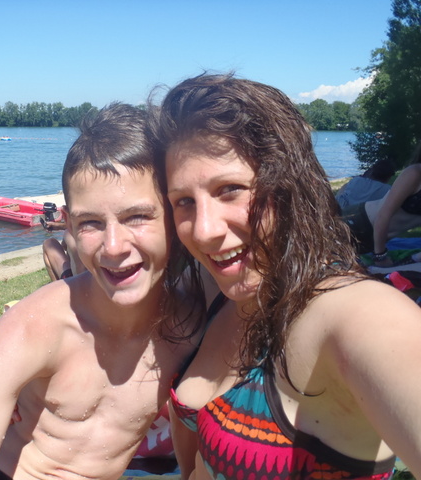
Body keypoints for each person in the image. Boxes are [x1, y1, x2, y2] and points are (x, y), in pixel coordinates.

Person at [150, 73, 421, 478]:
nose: (203, 231)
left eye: (230, 189)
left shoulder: (353, 315)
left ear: (290, 185)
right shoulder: (224, 289)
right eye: (184, 201)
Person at [0, 103, 206, 479]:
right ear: (70, 228)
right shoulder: (35, 326)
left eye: (137, 216)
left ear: (174, 216)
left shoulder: (192, 323)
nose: (113, 247)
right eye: (91, 222)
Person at [343, 141, 421, 265]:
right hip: (354, 224)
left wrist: (414, 258)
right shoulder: (415, 173)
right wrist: (380, 255)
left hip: (374, 242)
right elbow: (383, 215)